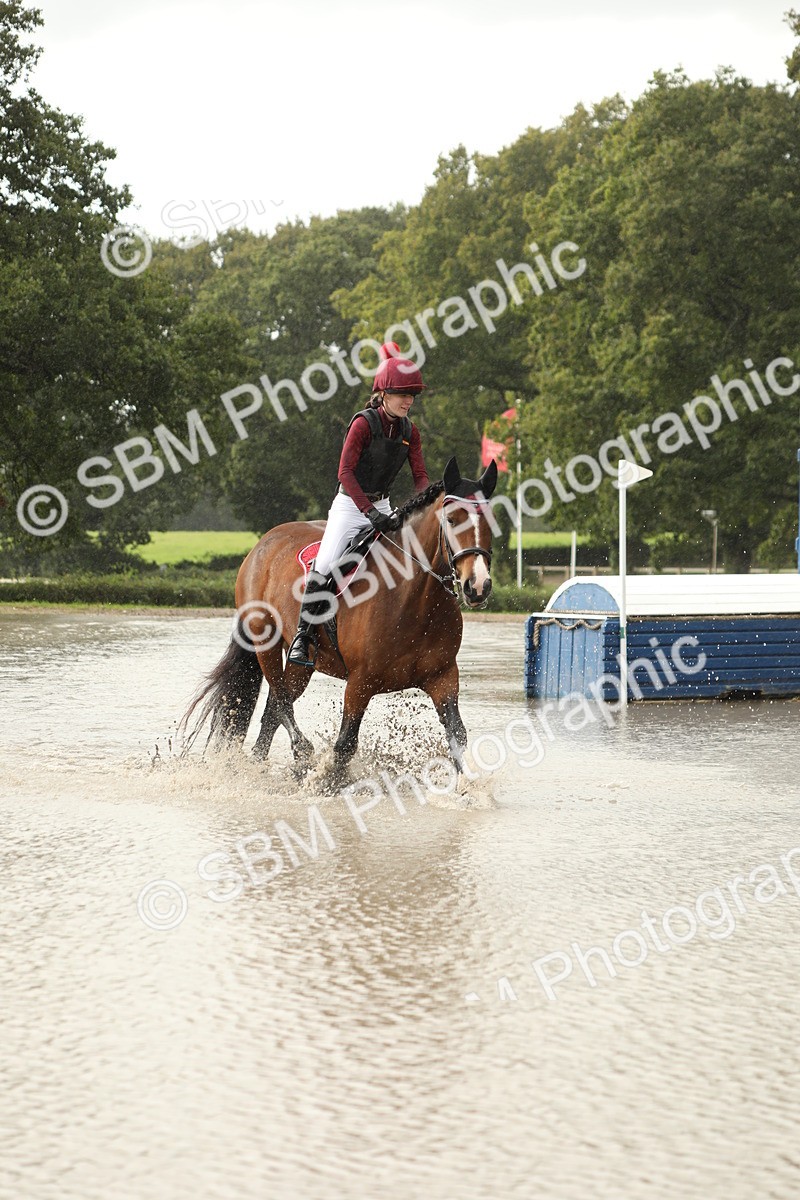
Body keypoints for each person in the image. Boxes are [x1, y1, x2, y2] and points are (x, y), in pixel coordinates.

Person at [287, 342, 430, 668]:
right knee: (325, 565)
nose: (408, 401)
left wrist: (424, 505)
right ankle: (303, 636)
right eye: (402, 394)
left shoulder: (411, 431)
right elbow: (345, 472)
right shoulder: (363, 424)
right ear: (383, 394)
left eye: (412, 396)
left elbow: (420, 476)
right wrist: (369, 513)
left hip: (385, 506)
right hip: (350, 506)